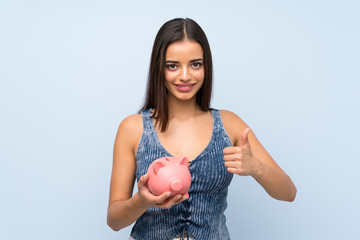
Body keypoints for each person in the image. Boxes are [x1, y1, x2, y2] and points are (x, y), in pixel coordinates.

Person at [107, 18, 297, 240]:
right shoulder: (133, 128)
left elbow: (288, 193)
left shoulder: (230, 124)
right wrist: (142, 200)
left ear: (206, 67)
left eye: (195, 64)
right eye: (173, 65)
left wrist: (255, 167)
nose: (185, 75)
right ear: (159, 68)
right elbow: (114, 221)